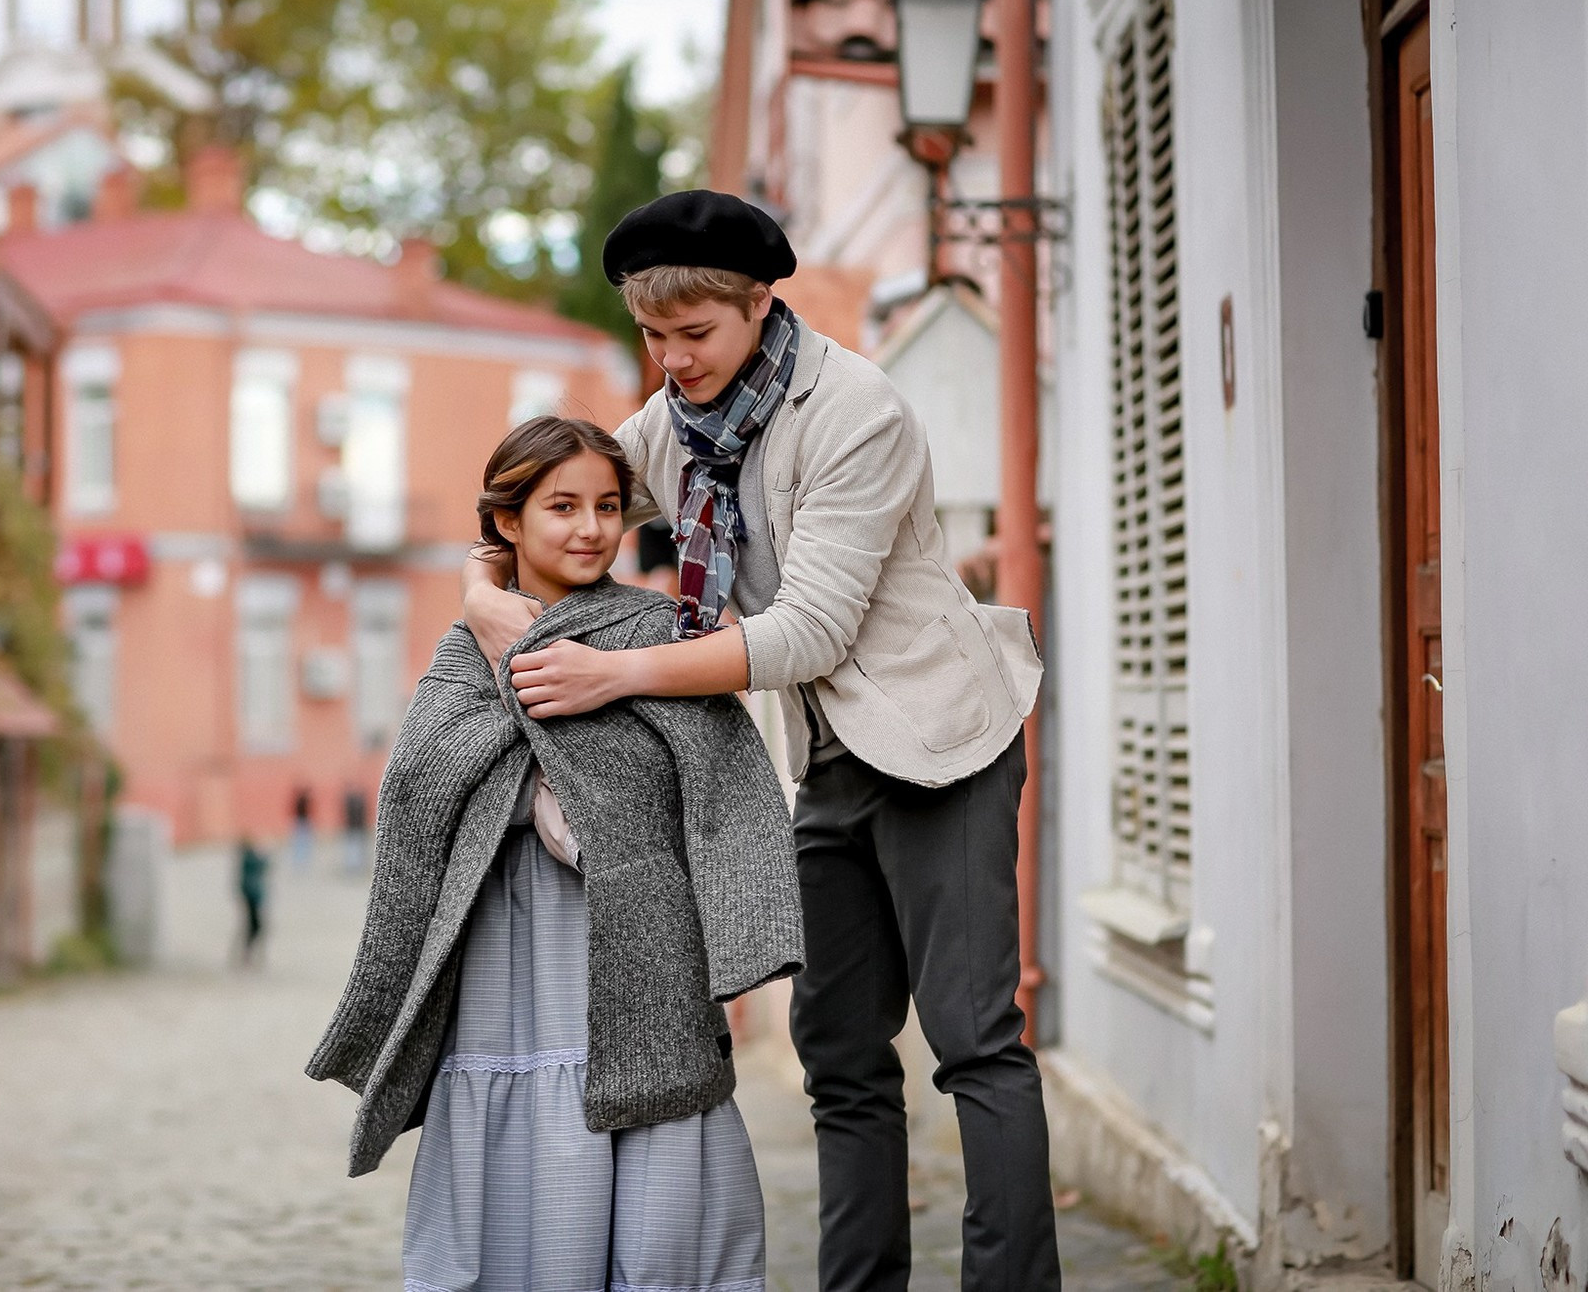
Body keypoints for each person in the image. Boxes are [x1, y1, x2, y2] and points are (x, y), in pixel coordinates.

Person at [462, 191, 1059, 1292]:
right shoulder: (674, 425)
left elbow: (805, 630)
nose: (672, 360)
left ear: (757, 304)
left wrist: (616, 672)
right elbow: (561, 502)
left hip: (941, 742)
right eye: (652, 337)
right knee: (836, 1052)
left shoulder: (857, 414)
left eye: (695, 335)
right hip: (824, 759)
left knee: (973, 1039)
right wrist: (483, 586)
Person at [309, 416, 803, 1292]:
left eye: (608, 506)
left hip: (637, 959)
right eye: (562, 505)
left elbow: (722, 778)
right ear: (509, 521)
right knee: (526, 1194)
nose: (590, 527)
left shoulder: (659, 630)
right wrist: (532, 770)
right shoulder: (463, 653)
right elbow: (421, 787)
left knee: (660, 1210)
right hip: (506, 963)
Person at [236, 837, 268, 966]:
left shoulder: (247, 860)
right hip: (253, 899)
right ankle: (247, 954)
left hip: (253, 898)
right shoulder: (249, 860)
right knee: (254, 927)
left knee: (252, 928)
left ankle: (248, 954)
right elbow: (263, 865)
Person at [338, 786, 369, 875]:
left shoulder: (351, 804)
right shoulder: (359, 804)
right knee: (355, 849)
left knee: (353, 849)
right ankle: (354, 868)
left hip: (353, 828)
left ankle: (353, 868)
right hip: (356, 828)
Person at [288, 786, 314, 871]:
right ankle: (301, 862)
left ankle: (300, 862)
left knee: (301, 844)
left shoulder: (300, 801)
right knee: (302, 843)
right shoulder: (302, 801)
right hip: (302, 822)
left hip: (301, 822)